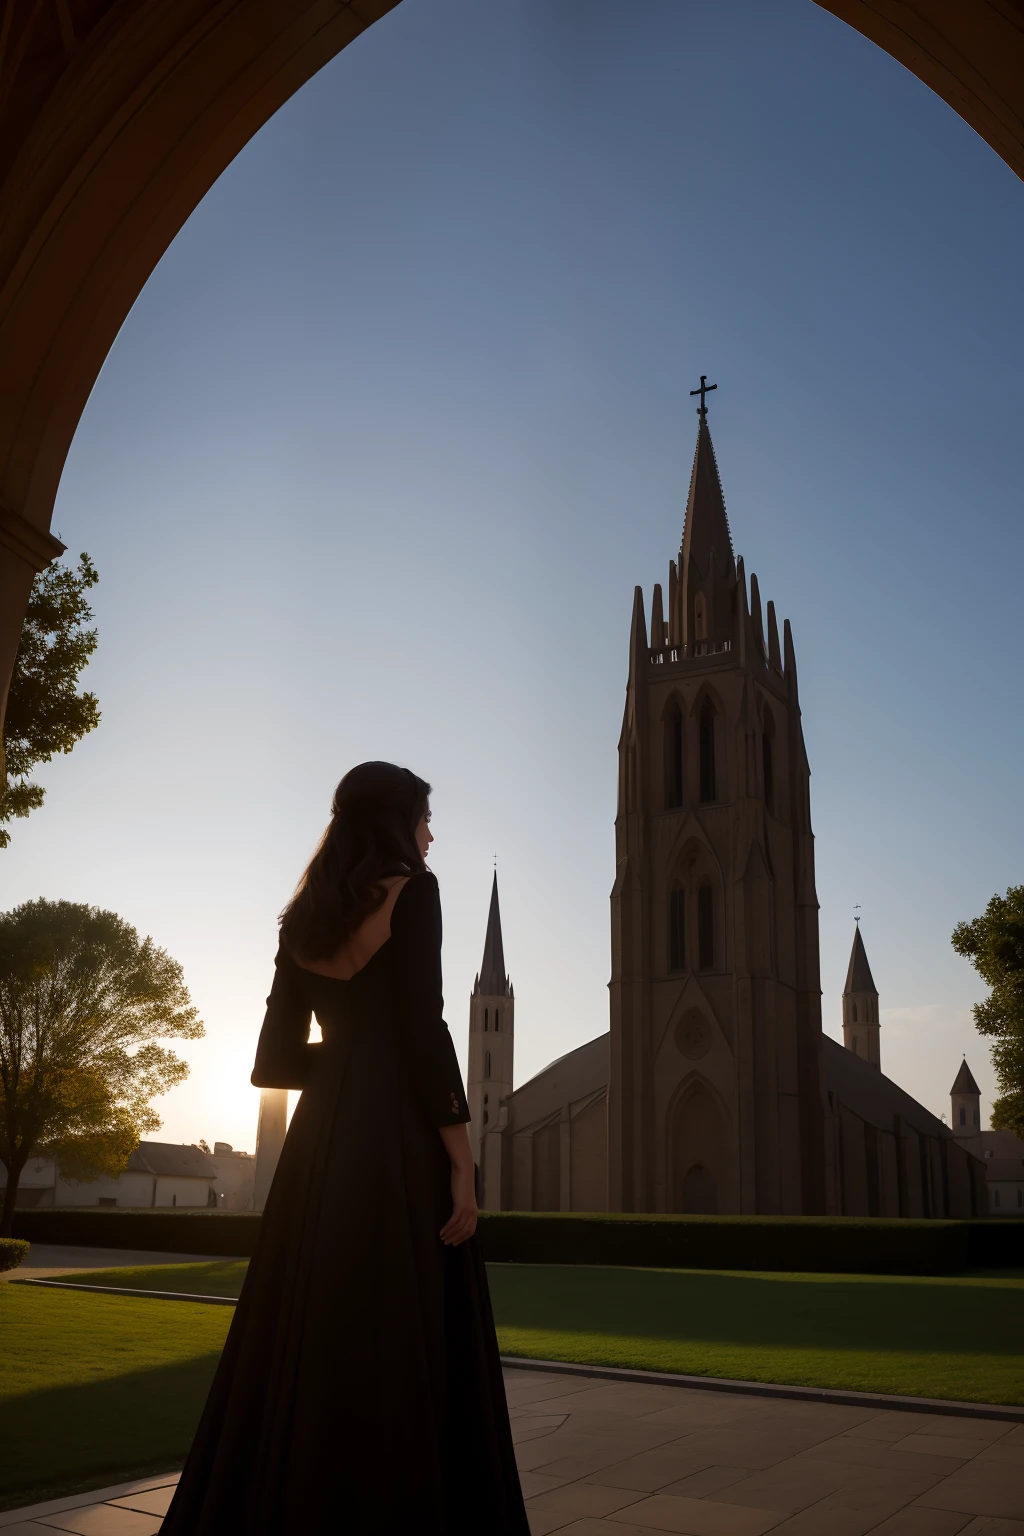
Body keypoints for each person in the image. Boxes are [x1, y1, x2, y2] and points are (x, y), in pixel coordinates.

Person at [160, 762, 530, 1534]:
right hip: (398, 1143)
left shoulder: (301, 923)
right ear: (397, 821)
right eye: (426, 817)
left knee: (303, 1323)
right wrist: (463, 1162)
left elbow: (274, 1062)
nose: (432, 833)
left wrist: (351, 1055)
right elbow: (428, 1035)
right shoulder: (415, 891)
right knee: (410, 1328)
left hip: (319, 1151)